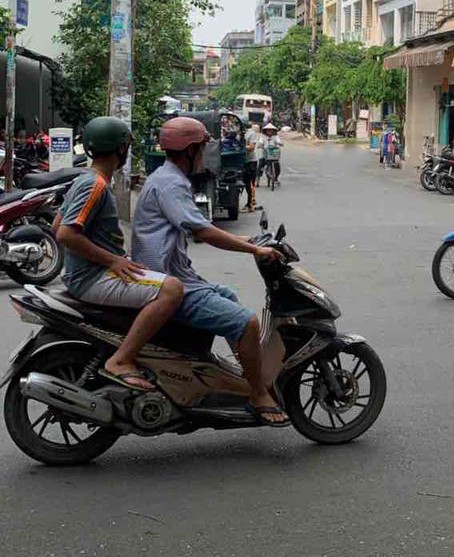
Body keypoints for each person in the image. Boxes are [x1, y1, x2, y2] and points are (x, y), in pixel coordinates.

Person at [131, 117, 288, 427]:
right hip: (167, 282)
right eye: (202, 148)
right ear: (190, 150)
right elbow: (202, 231)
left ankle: (245, 375)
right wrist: (254, 251)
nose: (204, 154)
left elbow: (201, 226)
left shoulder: (165, 177)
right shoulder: (172, 183)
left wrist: (250, 240)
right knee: (247, 322)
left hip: (174, 275)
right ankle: (258, 393)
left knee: (227, 294)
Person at [54, 116, 184, 392]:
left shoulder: (84, 179)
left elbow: (56, 224)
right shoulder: (95, 186)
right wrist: (112, 259)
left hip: (87, 273)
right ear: (121, 148)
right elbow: (64, 234)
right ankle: (121, 359)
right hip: (92, 277)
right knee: (172, 289)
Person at [243, 122, 261, 209]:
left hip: (251, 161)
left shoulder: (251, 133)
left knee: (250, 183)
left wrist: (241, 146)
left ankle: (251, 202)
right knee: (246, 182)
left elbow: (251, 147)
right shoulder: (239, 133)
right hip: (243, 161)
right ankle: (249, 202)